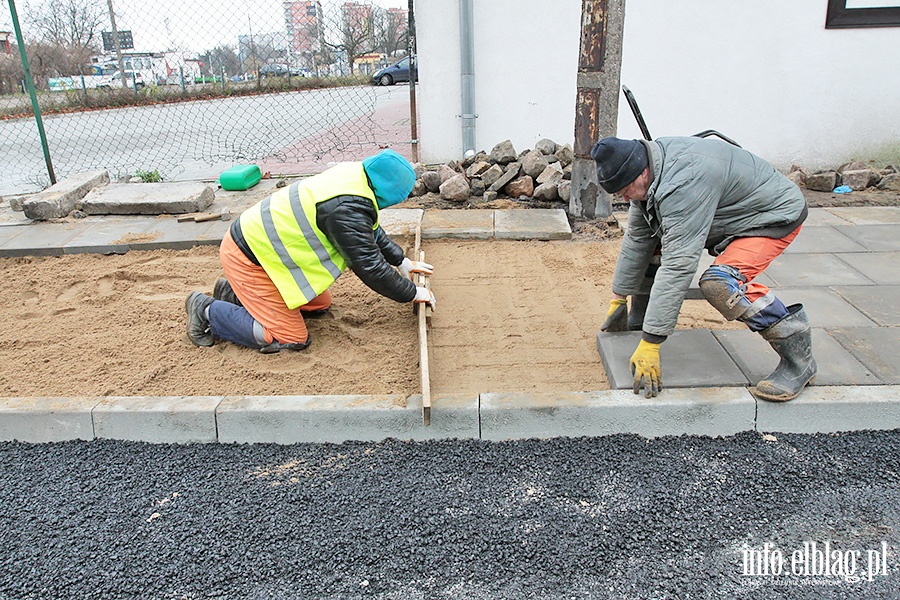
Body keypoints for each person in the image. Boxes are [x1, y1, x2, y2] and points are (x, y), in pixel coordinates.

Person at [592, 136, 816, 401]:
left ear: (642, 171)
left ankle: (799, 362)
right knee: (655, 242)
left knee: (720, 284)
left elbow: (679, 265)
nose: (624, 196)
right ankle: (640, 320)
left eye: (625, 189)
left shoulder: (683, 183)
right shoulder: (649, 167)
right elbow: (639, 238)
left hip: (772, 215)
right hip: (733, 211)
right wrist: (619, 296)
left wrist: (652, 342)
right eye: (618, 192)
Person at [185, 149, 435, 353]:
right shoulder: (345, 209)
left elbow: (368, 228)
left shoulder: (356, 178)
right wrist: (411, 292)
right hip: (249, 257)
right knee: (289, 338)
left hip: (267, 255)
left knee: (318, 304)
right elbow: (369, 266)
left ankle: (233, 293)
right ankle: (206, 309)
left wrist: (401, 261)